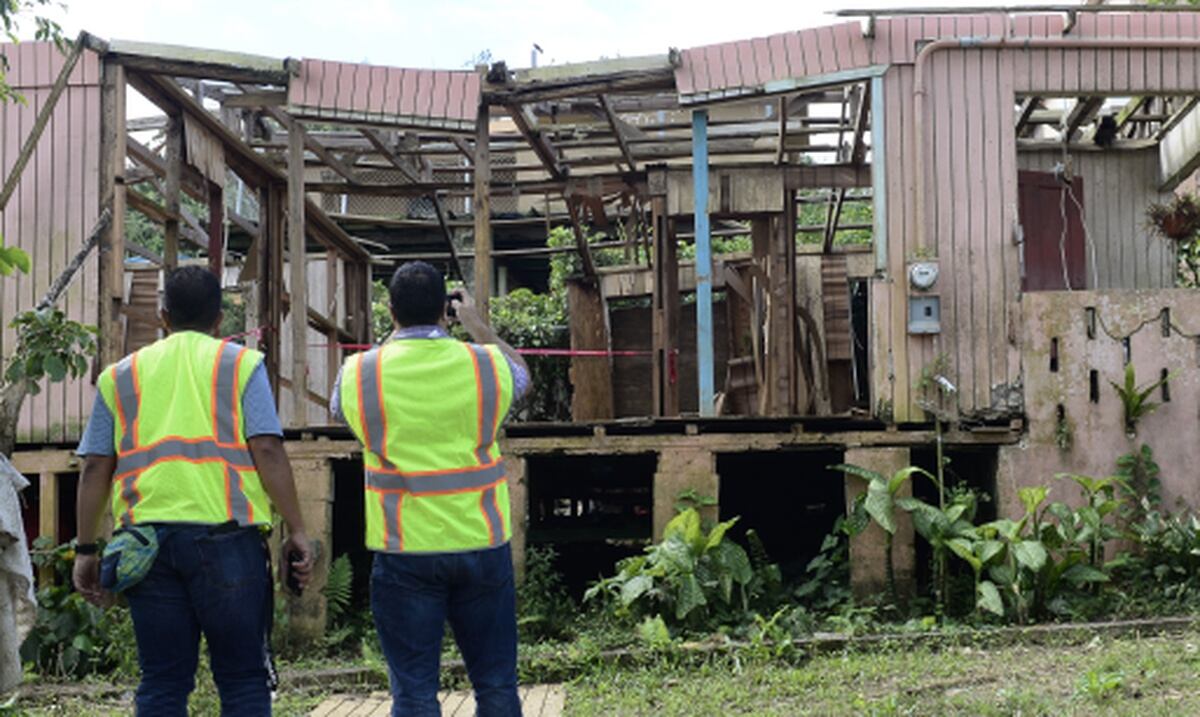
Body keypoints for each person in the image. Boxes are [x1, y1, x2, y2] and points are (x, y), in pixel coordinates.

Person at [73, 266, 313, 717]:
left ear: (163, 317)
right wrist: (297, 529)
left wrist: (86, 549)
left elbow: (94, 468)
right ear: (219, 320)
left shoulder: (119, 376)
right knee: (243, 680)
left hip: (146, 546)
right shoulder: (241, 365)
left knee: (162, 682)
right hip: (229, 541)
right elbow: (267, 448)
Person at [332, 261, 529, 717]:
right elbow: (522, 377)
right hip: (481, 543)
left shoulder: (360, 373)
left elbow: (343, 413)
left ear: (390, 310)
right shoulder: (485, 364)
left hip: (404, 551)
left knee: (414, 695)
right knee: (497, 687)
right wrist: (477, 325)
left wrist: (392, 339)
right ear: (446, 309)